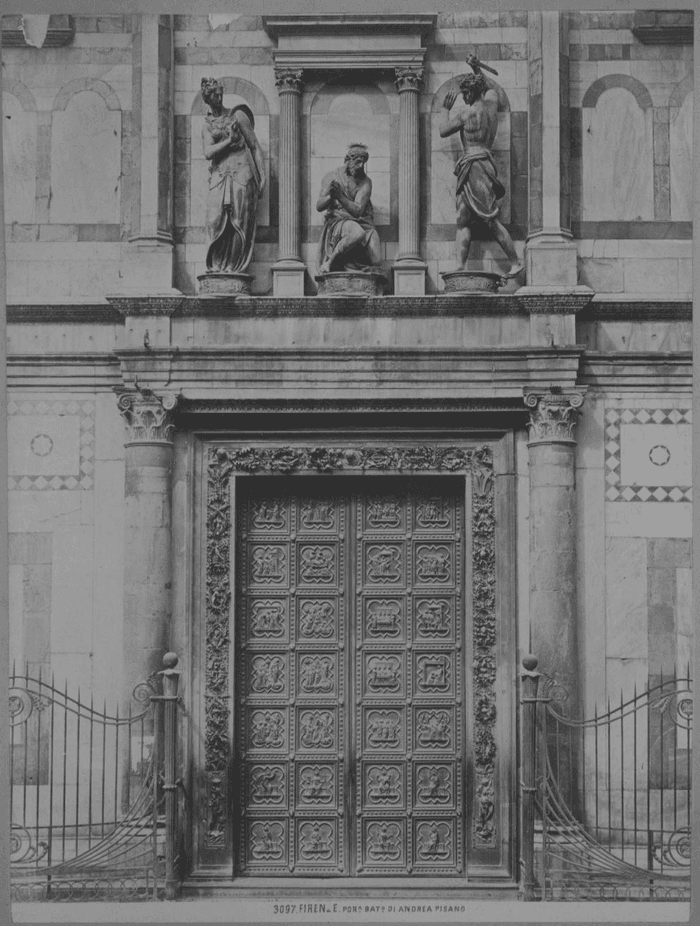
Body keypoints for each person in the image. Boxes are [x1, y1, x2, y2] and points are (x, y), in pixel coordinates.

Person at [439, 56, 523, 277]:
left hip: (473, 165)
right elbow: (490, 87)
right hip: (483, 163)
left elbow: (443, 130)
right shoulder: (492, 105)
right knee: (462, 217)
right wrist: (477, 68)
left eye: (465, 93)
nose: (463, 98)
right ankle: (460, 265)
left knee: (489, 219)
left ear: (472, 92)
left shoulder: (465, 114)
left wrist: (445, 110)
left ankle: (515, 261)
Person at [201, 78, 266, 274]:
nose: (219, 97)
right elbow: (208, 152)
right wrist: (229, 141)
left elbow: (254, 146)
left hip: (242, 172)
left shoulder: (237, 116)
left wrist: (262, 176)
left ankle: (234, 268)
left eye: (221, 93)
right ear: (208, 98)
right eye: (215, 95)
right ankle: (217, 265)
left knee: (239, 220)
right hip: (220, 175)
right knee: (215, 220)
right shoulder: (207, 125)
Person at [316, 143, 382, 274]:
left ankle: (351, 265)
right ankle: (330, 262)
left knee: (377, 261)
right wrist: (331, 197)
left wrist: (340, 197)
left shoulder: (365, 182)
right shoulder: (332, 176)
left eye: (363, 163)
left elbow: (358, 211)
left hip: (362, 221)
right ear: (348, 160)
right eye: (358, 162)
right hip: (340, 220)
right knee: (358, 234)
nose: (361, 166)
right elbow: (319, 206)